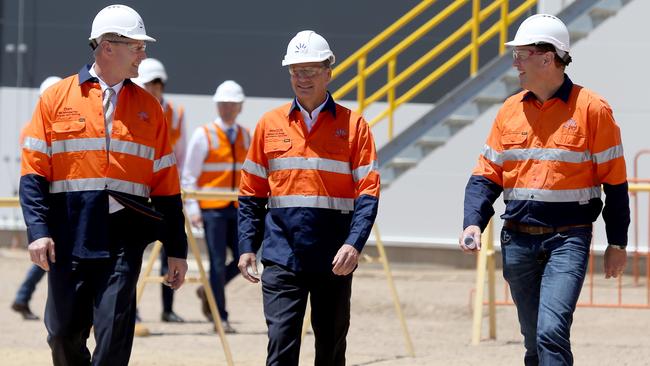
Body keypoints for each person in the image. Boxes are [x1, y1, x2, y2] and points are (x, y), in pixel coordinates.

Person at [19, 4, 188, 365]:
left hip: (124, 241)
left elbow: (167, 185)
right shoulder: (55, 99)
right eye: (137, 46)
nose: (144, 54)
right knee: (62, 334)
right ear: (109, 47)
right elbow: (33, 172)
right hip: (69, 236)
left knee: (114, 332)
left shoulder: (150, 108)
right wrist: (38, 231)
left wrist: (177, 247)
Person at [459, 14, 629, 366]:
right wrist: (473, 222)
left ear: (548, 57)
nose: (515, 62)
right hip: (517, 240)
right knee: (534, 339)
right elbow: (487, 175)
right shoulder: (509, 111)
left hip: (568, 239)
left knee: (551, 331)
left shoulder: (593, 110)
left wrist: (617, 243)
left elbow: (615, 182)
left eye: (521, 54)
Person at [237, 30, 380, 365]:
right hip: (281, 255)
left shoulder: (355, 126)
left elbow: (368, 193)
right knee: (281, 342)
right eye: (295, 71)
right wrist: (246, 246)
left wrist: (354, 244)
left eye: (310, 70)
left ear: (328, 72)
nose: (302, 79)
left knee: (330, 348)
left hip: (334, 257)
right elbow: (251, 194)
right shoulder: (268, 125)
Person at [182, 80, 249, 333]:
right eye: (223, 104)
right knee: (218, 263)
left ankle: (208, 290)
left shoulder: (245, 135)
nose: (227, 108)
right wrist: (193, 209)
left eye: (232, 104)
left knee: (246, 257)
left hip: (237, 208)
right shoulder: (204, 134)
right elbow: (189, 175)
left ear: (240, 107)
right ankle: (220, 317)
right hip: (212, 209)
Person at [133, 57, 187, 323]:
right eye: (147, 85)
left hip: (165, 191)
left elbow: (182, 154)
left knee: (171, 250)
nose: (151, 89)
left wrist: (180, 188)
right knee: (133, 253)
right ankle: (131, 307)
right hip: (140, 190)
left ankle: (168, 307)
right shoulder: (133, 107)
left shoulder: (175, 112)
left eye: (154, 84)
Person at [11, 76, 62, 321]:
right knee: (50, 252)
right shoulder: (37, 127)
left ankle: (23, 297)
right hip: (48, 201)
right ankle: (23, 296)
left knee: (50, 252)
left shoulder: (32, 126)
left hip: (45, 201)